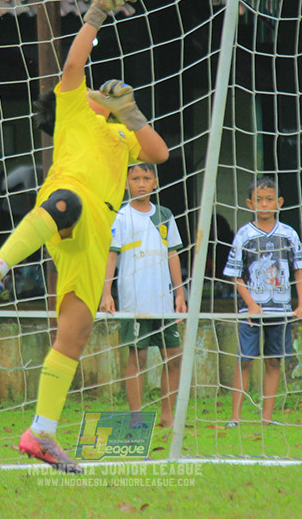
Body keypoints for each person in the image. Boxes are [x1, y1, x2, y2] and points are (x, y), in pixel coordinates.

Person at [0, 0, 170, 473]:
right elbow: (74, 66)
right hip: (66, 201)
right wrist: (96, 14)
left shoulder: (121, 134)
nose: (100, 92)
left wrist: (131, 113)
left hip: (97, 233)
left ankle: (41, 433)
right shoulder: (73, 111)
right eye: (97, 93)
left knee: (75, 335)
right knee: (68, 202)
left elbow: (160, 154)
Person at [100, 163, 186, 428]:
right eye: (135, 178)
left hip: (163, 301)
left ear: (155, 182)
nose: (140, 183)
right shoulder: (120, 216)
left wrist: (180, 294)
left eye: (146, 178)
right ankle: (136, 417)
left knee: (174, 356)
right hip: (134, 300)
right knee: (138, 357)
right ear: (126, 184)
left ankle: (168, 415)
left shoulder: (164, 215)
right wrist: (106, 293)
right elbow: (111, 256)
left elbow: (173, 254)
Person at [224, 176, 302, 428]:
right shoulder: (244, 235)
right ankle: (235, 418)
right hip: (251, 312)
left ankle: (267, 418)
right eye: (259, 200)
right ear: (250, 203)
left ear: (279, 202)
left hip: (280, 310)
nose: (264, 204)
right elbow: (235, 275)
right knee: (245, 360)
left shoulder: (289, 234)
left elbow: (299, 270)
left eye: (269, 199)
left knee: (274, 361)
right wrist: (251, 304)